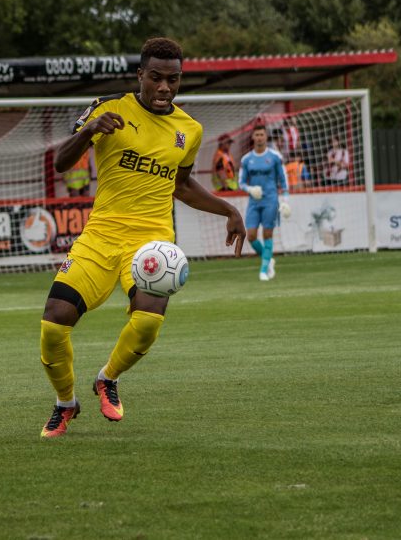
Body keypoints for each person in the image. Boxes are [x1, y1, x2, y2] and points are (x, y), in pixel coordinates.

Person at [38, 37, 245, 439]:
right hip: (100, 235)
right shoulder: (108, 108)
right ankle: (65, 403)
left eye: (173, 80)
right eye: (156, 78)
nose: (165, 88)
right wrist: (89, 132)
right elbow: (63, 163)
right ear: (140, 76)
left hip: (152, 241)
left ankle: (107, 378)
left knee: (148, 320)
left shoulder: (190, 129)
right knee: (53, 324)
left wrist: (229, 209)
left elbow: (181, 186)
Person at [239, 124, 290, 282]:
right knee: (251, 236)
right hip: (254, 202)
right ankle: (268, 259)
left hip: (271, 200)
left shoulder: (275, 157)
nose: (259, 137)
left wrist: (286, 200)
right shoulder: (246, 159)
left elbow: (283, 180)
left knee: (267, 234)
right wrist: (250, 189)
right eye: (257, 135)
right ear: (253, 137)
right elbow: (241, 182)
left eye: (262, 134)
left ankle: (263, 270)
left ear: (266, 137)